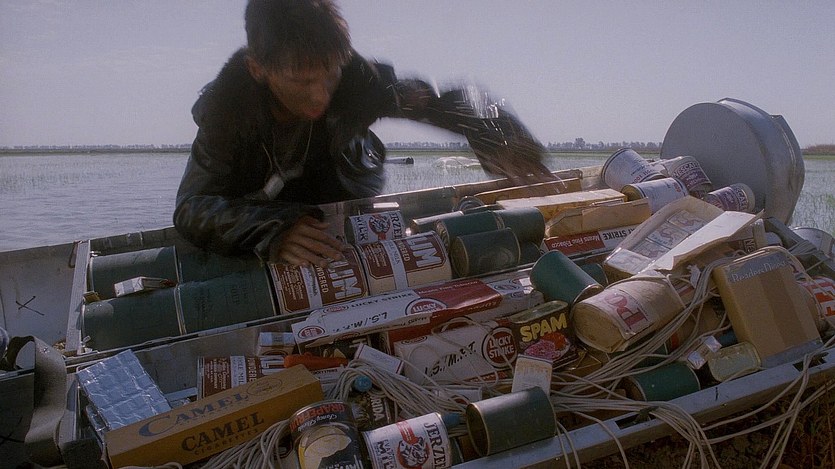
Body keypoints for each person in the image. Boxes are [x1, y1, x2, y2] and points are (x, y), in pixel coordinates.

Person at [174, 0, 554, 268]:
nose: (320, 96)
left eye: (329, 75)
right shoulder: (226, 114)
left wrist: (495, 132)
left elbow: (434, 99)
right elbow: (192, 207)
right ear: (258, 69)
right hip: (270, 207)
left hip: (343, 182)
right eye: (301, 81)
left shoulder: (358, 81)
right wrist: (273, 231)